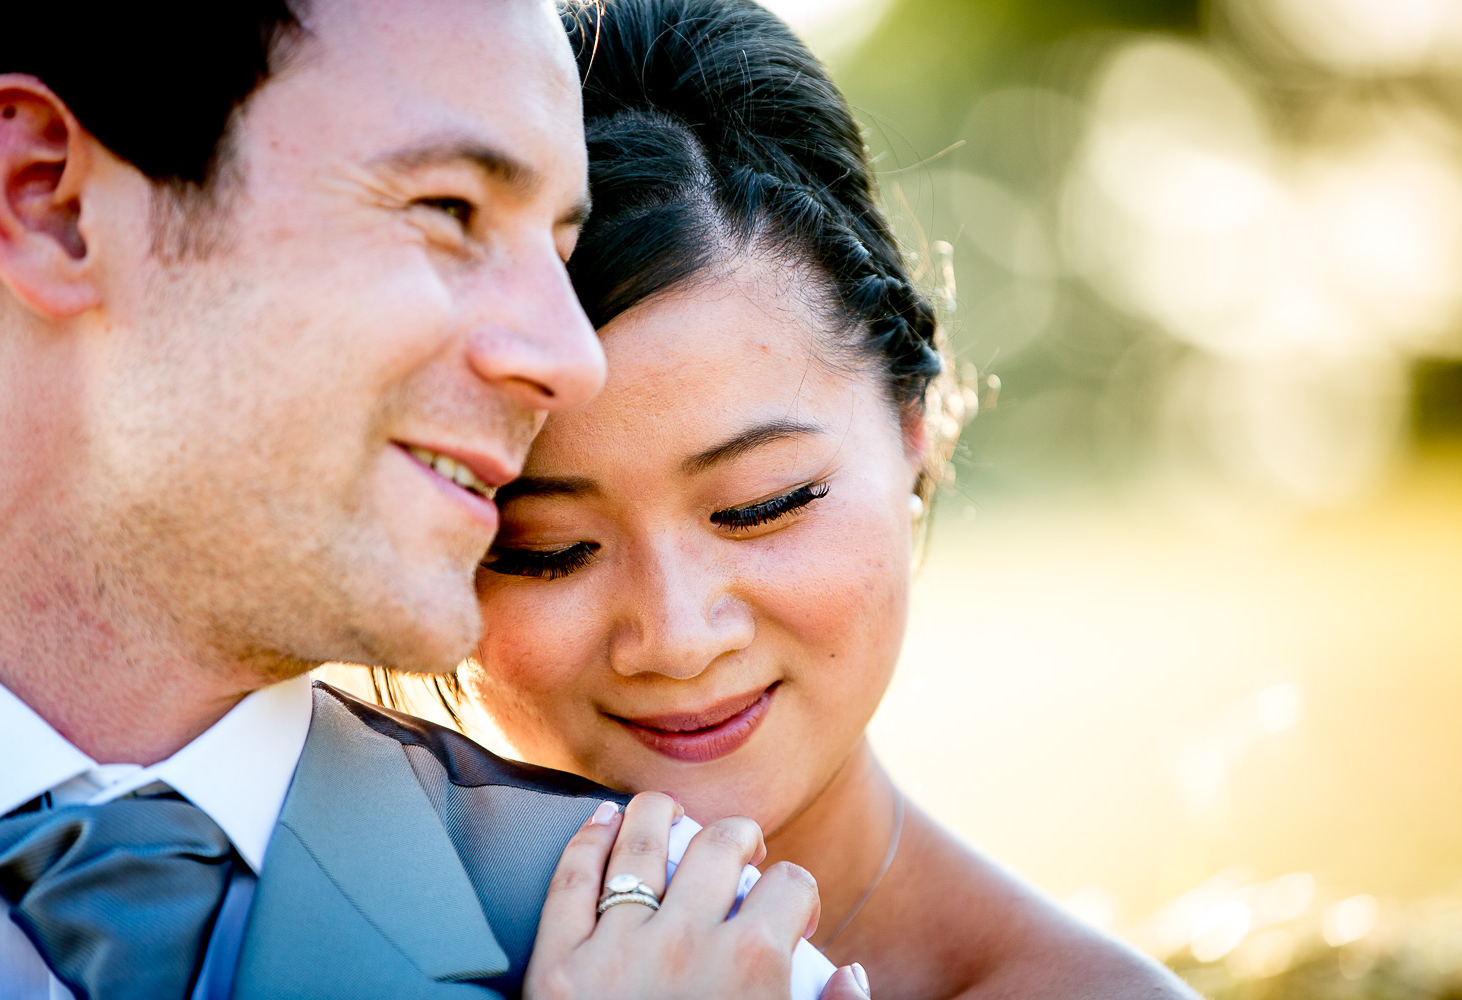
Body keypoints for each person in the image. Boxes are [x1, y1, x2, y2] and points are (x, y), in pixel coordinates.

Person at [0, 2, 871, 998]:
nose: (572, 358)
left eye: (560, 255)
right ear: (44, 200)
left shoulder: (704, 950)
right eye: (449, 211)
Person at [400, 1, 1204, 998]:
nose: (678, 637)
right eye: (548, 547)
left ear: (919, 427)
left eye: (762, 504)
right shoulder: (267, 918)